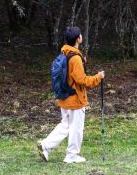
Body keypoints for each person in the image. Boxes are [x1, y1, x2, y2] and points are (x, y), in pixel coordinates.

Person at [37, 26, 105, 164]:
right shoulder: (75, 58)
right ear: (78, 39)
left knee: (65, 126)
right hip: (75, 100)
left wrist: (82, 62)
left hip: (64, 97)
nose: (81, 36)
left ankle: (45, 145)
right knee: (76, 128)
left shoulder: (65, 53)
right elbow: (82, 80)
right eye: (80, 35)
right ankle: (72, 155)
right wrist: (98, 77)